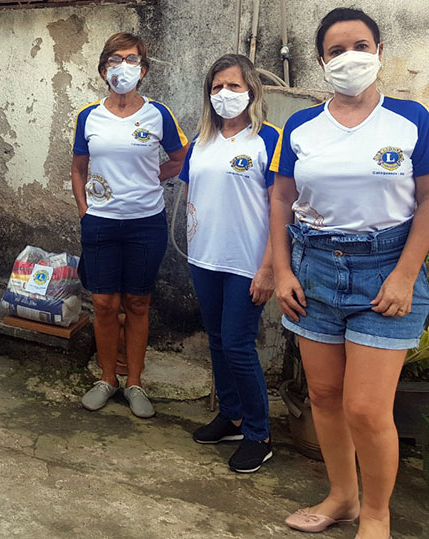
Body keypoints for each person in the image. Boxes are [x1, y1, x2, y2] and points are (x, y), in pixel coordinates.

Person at [269, 8, 429, 538]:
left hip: (386, 270)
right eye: (335, 50)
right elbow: (281, 199)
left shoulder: (412, 119)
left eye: (360, 46)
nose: (348, 57)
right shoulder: (300, 126)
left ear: (379, 53)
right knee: (325, 397)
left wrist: (403, 276)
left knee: (368, 409)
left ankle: (377, 515)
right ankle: (343, 499)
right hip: (315, 270)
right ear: (322, 62)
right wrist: (283, 272)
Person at [72, 32, 189, 418]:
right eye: (116, 59)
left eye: (133, 59)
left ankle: (135, 382)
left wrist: (150, 178)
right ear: (104, 69)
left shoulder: (158, 114)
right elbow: (78, 168)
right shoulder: (89, 116)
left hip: (145, 223)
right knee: (104, 304)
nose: (124, 67)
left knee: (138, 303)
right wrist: (84, 209)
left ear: (143, 69)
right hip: (101, 223)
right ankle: (108, 379)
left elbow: (179, 157)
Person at [179, 54, 279, 473]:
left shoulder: (268, 139)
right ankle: (232, 417)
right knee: (217, 340)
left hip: (247, 263)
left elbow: (282, 208)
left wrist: (270, 268)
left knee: (239, 345)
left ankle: (259, 433)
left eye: (234, 86)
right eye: (217, 86)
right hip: (205, 257)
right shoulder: (201, 140)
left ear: (251, 90)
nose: (224, 94)